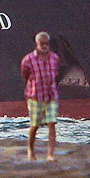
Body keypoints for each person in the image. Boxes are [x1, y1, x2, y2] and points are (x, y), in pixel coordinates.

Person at [20, 31, 61, 161]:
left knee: (52, 124)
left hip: (51, 95)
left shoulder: (54, 58)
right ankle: (30, 150)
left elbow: (56, 73)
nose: (44, 46)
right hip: (35, 96)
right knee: (34, 125)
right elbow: (24, 75)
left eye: (46, 43)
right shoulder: (28, 59)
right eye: (41, 43)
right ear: (36, 43)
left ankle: (50, 155)